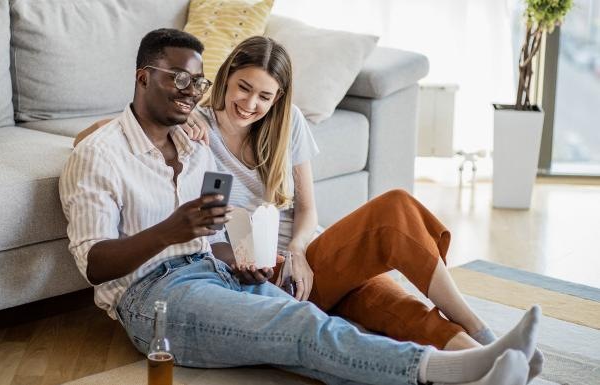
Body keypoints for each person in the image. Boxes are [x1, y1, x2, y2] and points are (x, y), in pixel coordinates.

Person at [61, 28, 540, 385]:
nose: (249, 103)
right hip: (155, 295)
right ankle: (459, 361)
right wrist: (175, 227)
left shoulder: (200, 146)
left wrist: (262, 259)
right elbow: (96, 257)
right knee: (303, 324)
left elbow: (224, 237)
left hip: (238, 268)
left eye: (196, 84)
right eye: (242, 88)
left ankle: (482, 357)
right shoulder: (183, 134)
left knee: (345, 312)